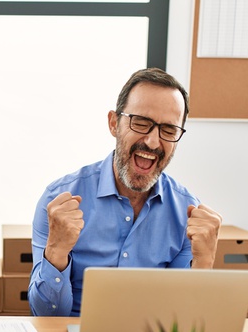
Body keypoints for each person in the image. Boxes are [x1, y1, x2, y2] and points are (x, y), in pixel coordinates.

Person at [28, 68, 222, 317]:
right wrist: (56, 252)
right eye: (141, 123)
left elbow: (183, 321)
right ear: (113, 123)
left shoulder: (188, 214)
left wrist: (203, 265)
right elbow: (46, 316)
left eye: (169, 130)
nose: (152, 142)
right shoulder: (57, 201)